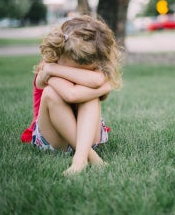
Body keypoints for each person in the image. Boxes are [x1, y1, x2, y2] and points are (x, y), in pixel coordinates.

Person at [20, 15, 122, 175]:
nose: (79, 73)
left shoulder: (52, 69)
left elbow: (95, 80)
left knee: (89, 99)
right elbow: (71, 95)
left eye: (83, 70)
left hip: (88, 136)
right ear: (60, 56)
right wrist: (104, 88)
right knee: (51, 92)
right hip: (53, 139)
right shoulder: (45, 69)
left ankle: (80, 159)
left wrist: (54, 69)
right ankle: (89, 156)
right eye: (76, 69)